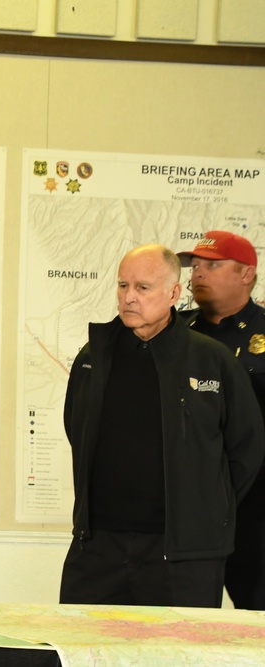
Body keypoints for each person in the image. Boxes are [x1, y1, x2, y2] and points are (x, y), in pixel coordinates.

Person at [61, 243, 264, 607]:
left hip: (184, 555)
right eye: (123, 286)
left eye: (143, 288)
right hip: (98, 548)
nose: (129, 298)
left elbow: (245, 448)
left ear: (173, 293)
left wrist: (206, 508)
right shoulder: (94, 356)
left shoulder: (211, 359)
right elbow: (76, 431)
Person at [177, 230, 265, 610]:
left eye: (212, 265)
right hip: (192, 504)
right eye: (195, 266)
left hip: (258, 507)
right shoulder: (174, 333)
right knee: (183, 619)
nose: (198, 273)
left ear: (247, 274)